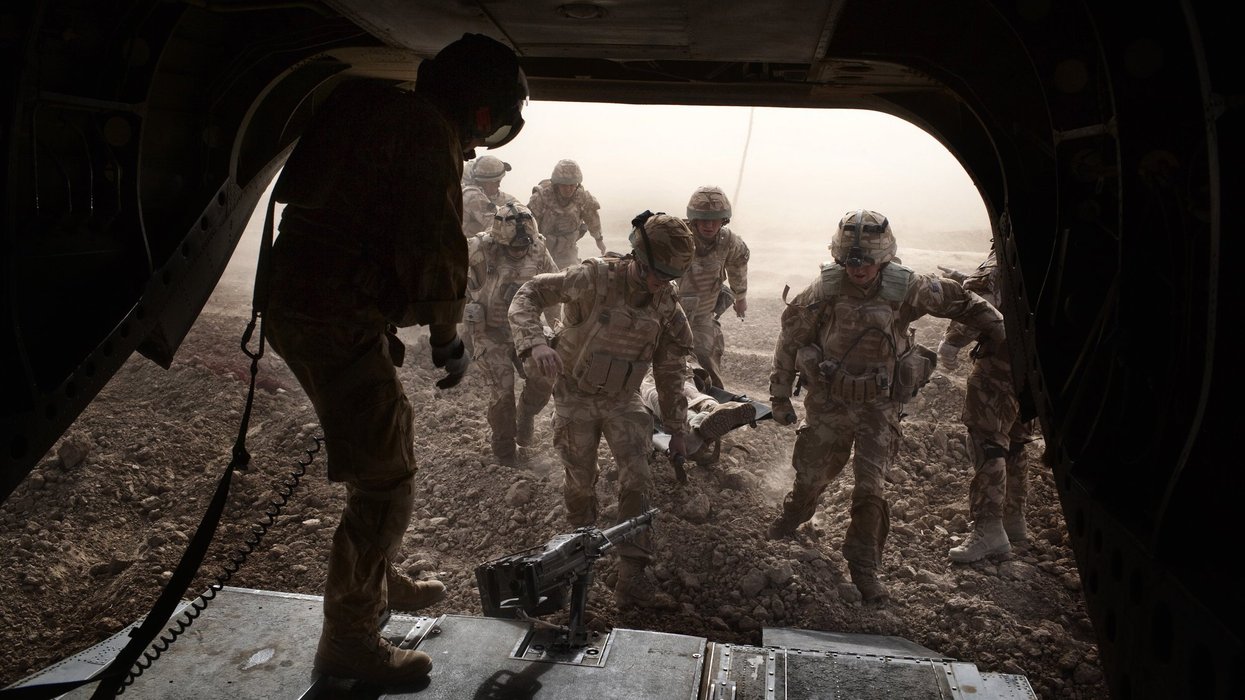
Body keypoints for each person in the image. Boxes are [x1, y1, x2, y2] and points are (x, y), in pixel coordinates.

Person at [261, 34, 527, 684]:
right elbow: (434, 243)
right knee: (384, 482)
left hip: (316, 305)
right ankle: (350, 640)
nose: (474, 147)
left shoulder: (376, 110)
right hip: (334, 316)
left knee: (392, 435)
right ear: (481, 112)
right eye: (484, 133)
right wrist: (446, 336)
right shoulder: (427, 133)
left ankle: (374, 577)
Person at [765, 209, 1005, 604]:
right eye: (850, 260)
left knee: (870, 487)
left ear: (885, 259)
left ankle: (864, 566)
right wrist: (778, 396)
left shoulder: (907, 286)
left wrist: (999, 330)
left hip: (879, 406)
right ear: (840, 258)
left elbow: (962, 301)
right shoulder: (824, 290)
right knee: (811, 476)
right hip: (830, 402)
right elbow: (789, 340)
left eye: (868, 261)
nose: (858, 269)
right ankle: (795, 515)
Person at [509, 211, 695, 608]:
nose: (659, 283)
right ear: (637, 258)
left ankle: (632, 576)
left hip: (622, 399)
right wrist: (536, 343)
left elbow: (670, 369)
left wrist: (677, 429)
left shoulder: (666, 305)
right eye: (654, 273)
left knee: (638, 478)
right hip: (575, 395)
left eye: (668, 277)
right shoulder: (593, 278)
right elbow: (528, 294)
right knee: (580, 482)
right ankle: (579, 558)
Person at [939, 248, 1036, 563]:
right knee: (1017, 441)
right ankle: (1013, 521)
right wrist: (962, 278)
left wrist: (951, 342)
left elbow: (977, 304)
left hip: (998, 368)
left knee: (988, 442)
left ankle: (989, 529)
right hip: (1031, 372)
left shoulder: (1002, 258)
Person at [464, 202, 558, 467]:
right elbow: (447, 273)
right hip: (489, 332)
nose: (520, 252)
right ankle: (504, 450)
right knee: (503, 390)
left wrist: (557, 325)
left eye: (524, 247)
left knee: (544, 379)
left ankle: (526, 415)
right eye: (514, 248)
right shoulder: (479, 248)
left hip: (526, 330)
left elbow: (553, 289)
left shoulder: (538, 249)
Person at [677, 186, 750, 388]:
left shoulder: (729, 242)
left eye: (714, 220)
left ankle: (713, 408)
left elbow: (738, 265)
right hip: (669, 313)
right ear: (694, 219)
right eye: (704, 219)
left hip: (702, 315)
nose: (709, 225)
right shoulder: (678, 237)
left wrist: (740, 298)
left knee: (705, 361)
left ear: (723, 220)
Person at [640, 370, 756, 466]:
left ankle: (692, 421)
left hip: (651, 372)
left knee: (655, 393)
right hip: (685, 370)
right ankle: (711, 408)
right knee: (690, 390)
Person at [527, 158, 606, 268]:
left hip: (568, 250)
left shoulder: (582, 197)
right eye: (564, 185)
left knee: (571, 278)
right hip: (541, 251)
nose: (568, 189)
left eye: (572, 185)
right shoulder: (541, 197)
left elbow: (592, 218)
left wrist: (599, 240)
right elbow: (529, 226)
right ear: (556, 184)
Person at [461, 155, 520, 236]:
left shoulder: (504, 198)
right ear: (485, 182)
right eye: (496, 182)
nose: (499, 185)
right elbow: (499, 224)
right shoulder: (472, 195)